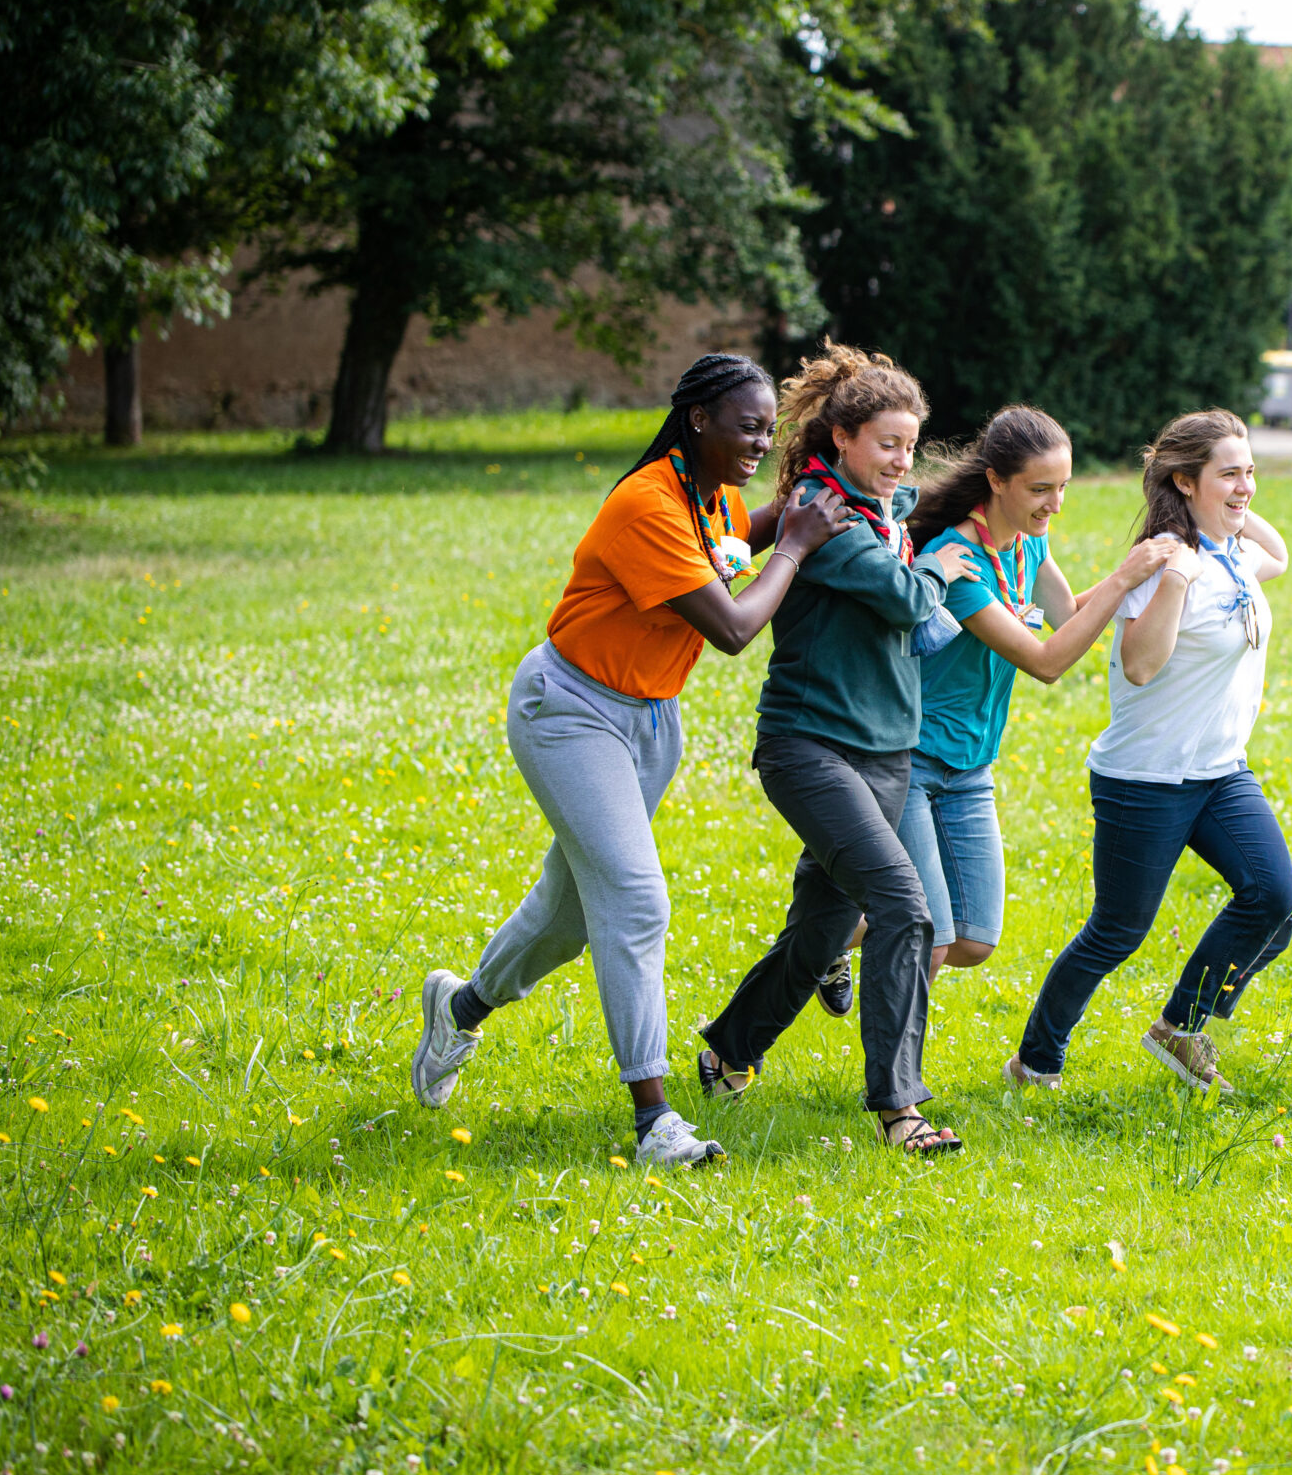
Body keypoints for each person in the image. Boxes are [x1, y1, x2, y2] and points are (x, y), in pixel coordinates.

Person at [408, 353, 853, 1166]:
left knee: (570, 913)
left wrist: (784, 515)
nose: (759, 441)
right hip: (570, 711)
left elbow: (724, 546)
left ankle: (460, 1008)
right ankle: (655, 1123)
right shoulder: (646, 501)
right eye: (747, 426)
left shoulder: (706, 493)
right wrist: (791, 544)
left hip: (649, 723)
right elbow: (730, 627)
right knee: (638, 900)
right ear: (698, 421)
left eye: (767, 429)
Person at [694, 343, 979, 1157]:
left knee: (821, 932)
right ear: (843, 437)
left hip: (887, 750)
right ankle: (901, 1109)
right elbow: (901, 598)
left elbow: (921, 534)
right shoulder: (828, 515)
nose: (899, 460)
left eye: (909, 445)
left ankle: (728, 1050)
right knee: (904, 905)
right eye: (886, 443)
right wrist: (937, 567)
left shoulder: (884, 514)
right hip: (809, 747)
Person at [1007, 408, 1292, 1095]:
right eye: (1230, 473)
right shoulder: (1158, 566)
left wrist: (1227, 506)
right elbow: (1139, 665)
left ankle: (1179, 1027)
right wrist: (1176, 568)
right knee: (1117, 931)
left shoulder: (1235, 551)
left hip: (1220, 771)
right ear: (1184, 479)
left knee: (1271, 900)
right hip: (1146, 780)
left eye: (1251, 471)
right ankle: (1036, 1060)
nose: (1247, 485)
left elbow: (1278, 554)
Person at [894, 407, 1184, 981]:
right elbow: (1048, 662)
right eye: (1041, 489)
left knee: (975, 938)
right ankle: (900, 1070)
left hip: (972, 763)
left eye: (1063, 487)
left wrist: (1150, 571)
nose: (1056, 504)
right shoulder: (959, 562)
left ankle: (829, 933)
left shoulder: (1028, 544)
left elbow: (1067, 616)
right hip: (913, 758)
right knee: (928, 935)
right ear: (996, 481)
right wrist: (1125, 577)